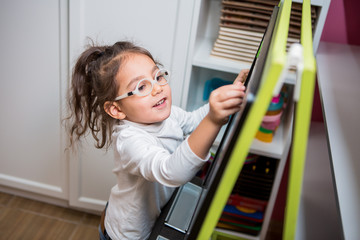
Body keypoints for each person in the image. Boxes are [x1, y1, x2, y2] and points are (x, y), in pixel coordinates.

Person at [66, 41, 248, 240]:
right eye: (141, 87)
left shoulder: (166, 115)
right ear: (116, 109)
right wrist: (214, 119)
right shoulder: (129, 141)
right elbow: (170, 171)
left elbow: (195, 121)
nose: (157, 89)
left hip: (155, 215)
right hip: (127, 234)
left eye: (158, 76)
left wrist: (228, 96)